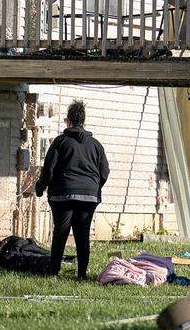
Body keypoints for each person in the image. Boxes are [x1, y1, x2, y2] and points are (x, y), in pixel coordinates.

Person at [33, 100, 110, 279]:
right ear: (83, 121)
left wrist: (40, 188)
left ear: (68, 121)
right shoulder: (96, 145)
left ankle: (54, 272)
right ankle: (82, 274)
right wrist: (93, 187)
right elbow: (104, 172)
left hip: (62, 194)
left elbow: (48, 170)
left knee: (61, 231)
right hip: (89, 196)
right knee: (82, 234)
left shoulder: (60, 142)